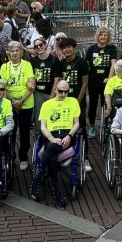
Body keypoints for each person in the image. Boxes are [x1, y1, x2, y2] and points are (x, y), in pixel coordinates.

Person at [30, 80, 81, 208]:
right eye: (60, 91)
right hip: (51, 136)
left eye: (66, 91)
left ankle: (39, 174)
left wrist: (69, 136)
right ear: (55, 90)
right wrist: (52, 138)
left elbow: (77, 123)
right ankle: (56, 190)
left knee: (50, 150)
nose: (63, 94)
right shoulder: (46, 105)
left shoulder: (73, 102)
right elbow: (43, 127)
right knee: (52, 155)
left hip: (67, 135)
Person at [0, 41, 36, 171]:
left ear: (21, 52)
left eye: (17, 50)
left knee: (24, 133)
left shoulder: (27, 65)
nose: (14, 53)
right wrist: (13, 102)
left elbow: (32, 86)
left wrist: (21, 100)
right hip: (10, 104)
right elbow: (3, 88)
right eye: (12, 51)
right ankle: (10, 156)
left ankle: (24, 157)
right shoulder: (4, 67)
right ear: (8, 53)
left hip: (26, 104)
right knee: (10, 132)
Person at [55, 37, 90, 147]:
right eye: (64, 48)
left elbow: (85, 84)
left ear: (74, 48)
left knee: (81, 126)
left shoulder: (82, 62)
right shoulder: (62, 63)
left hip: (78, 100)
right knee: (66, 125)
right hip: (64, 99)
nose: (67, 50)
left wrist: (77, 102)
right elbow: (59, 82)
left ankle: (85, 157)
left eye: (69, 47)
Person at [84, 27, 117, 139]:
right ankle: (92, 127)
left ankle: (105, 126)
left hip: (106, 82)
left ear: (108, 37)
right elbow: (87, 66)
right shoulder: (91, 49)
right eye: (101, 35)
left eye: (105, 35)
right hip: (93, 81)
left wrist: (109, 78)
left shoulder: (111, 48)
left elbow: (113, 64)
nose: (103, 37)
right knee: (92, 105)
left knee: (106, 104)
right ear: (97, 36)